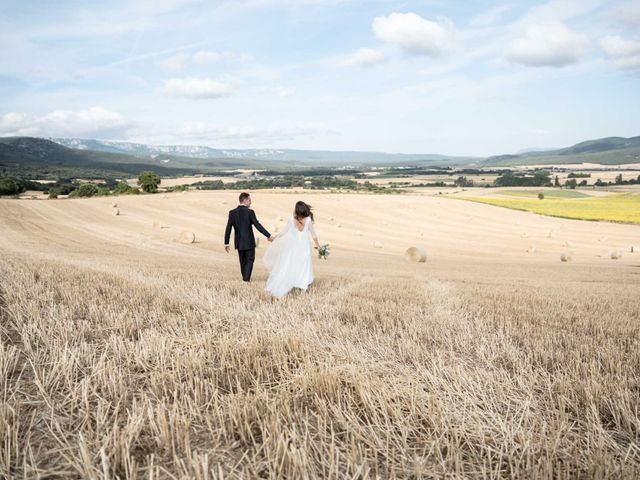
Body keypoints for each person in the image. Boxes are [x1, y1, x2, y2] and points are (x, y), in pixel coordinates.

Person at [263, 201, 321, 298]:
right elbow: (313, 235)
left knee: (290, 265)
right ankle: (303, 286)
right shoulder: (308, 220)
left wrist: (274, 238)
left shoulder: (292, 219)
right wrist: (318, 246)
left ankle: (294, 283)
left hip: (293, 247)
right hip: (304, 248)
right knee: (304, 266)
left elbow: (283, 232)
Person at [224, 192, 274, 282]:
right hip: (249, 242)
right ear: (245, 200)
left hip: (239, 243)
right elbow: (257, 225)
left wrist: (226, 243)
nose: (251, 202)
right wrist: (268, 235)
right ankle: (246, 280)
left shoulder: (232, 212)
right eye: (249, 200)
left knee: (243, 262)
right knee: (250, 261)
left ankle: (245, 279)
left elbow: (228, 229)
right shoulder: (249, 212)